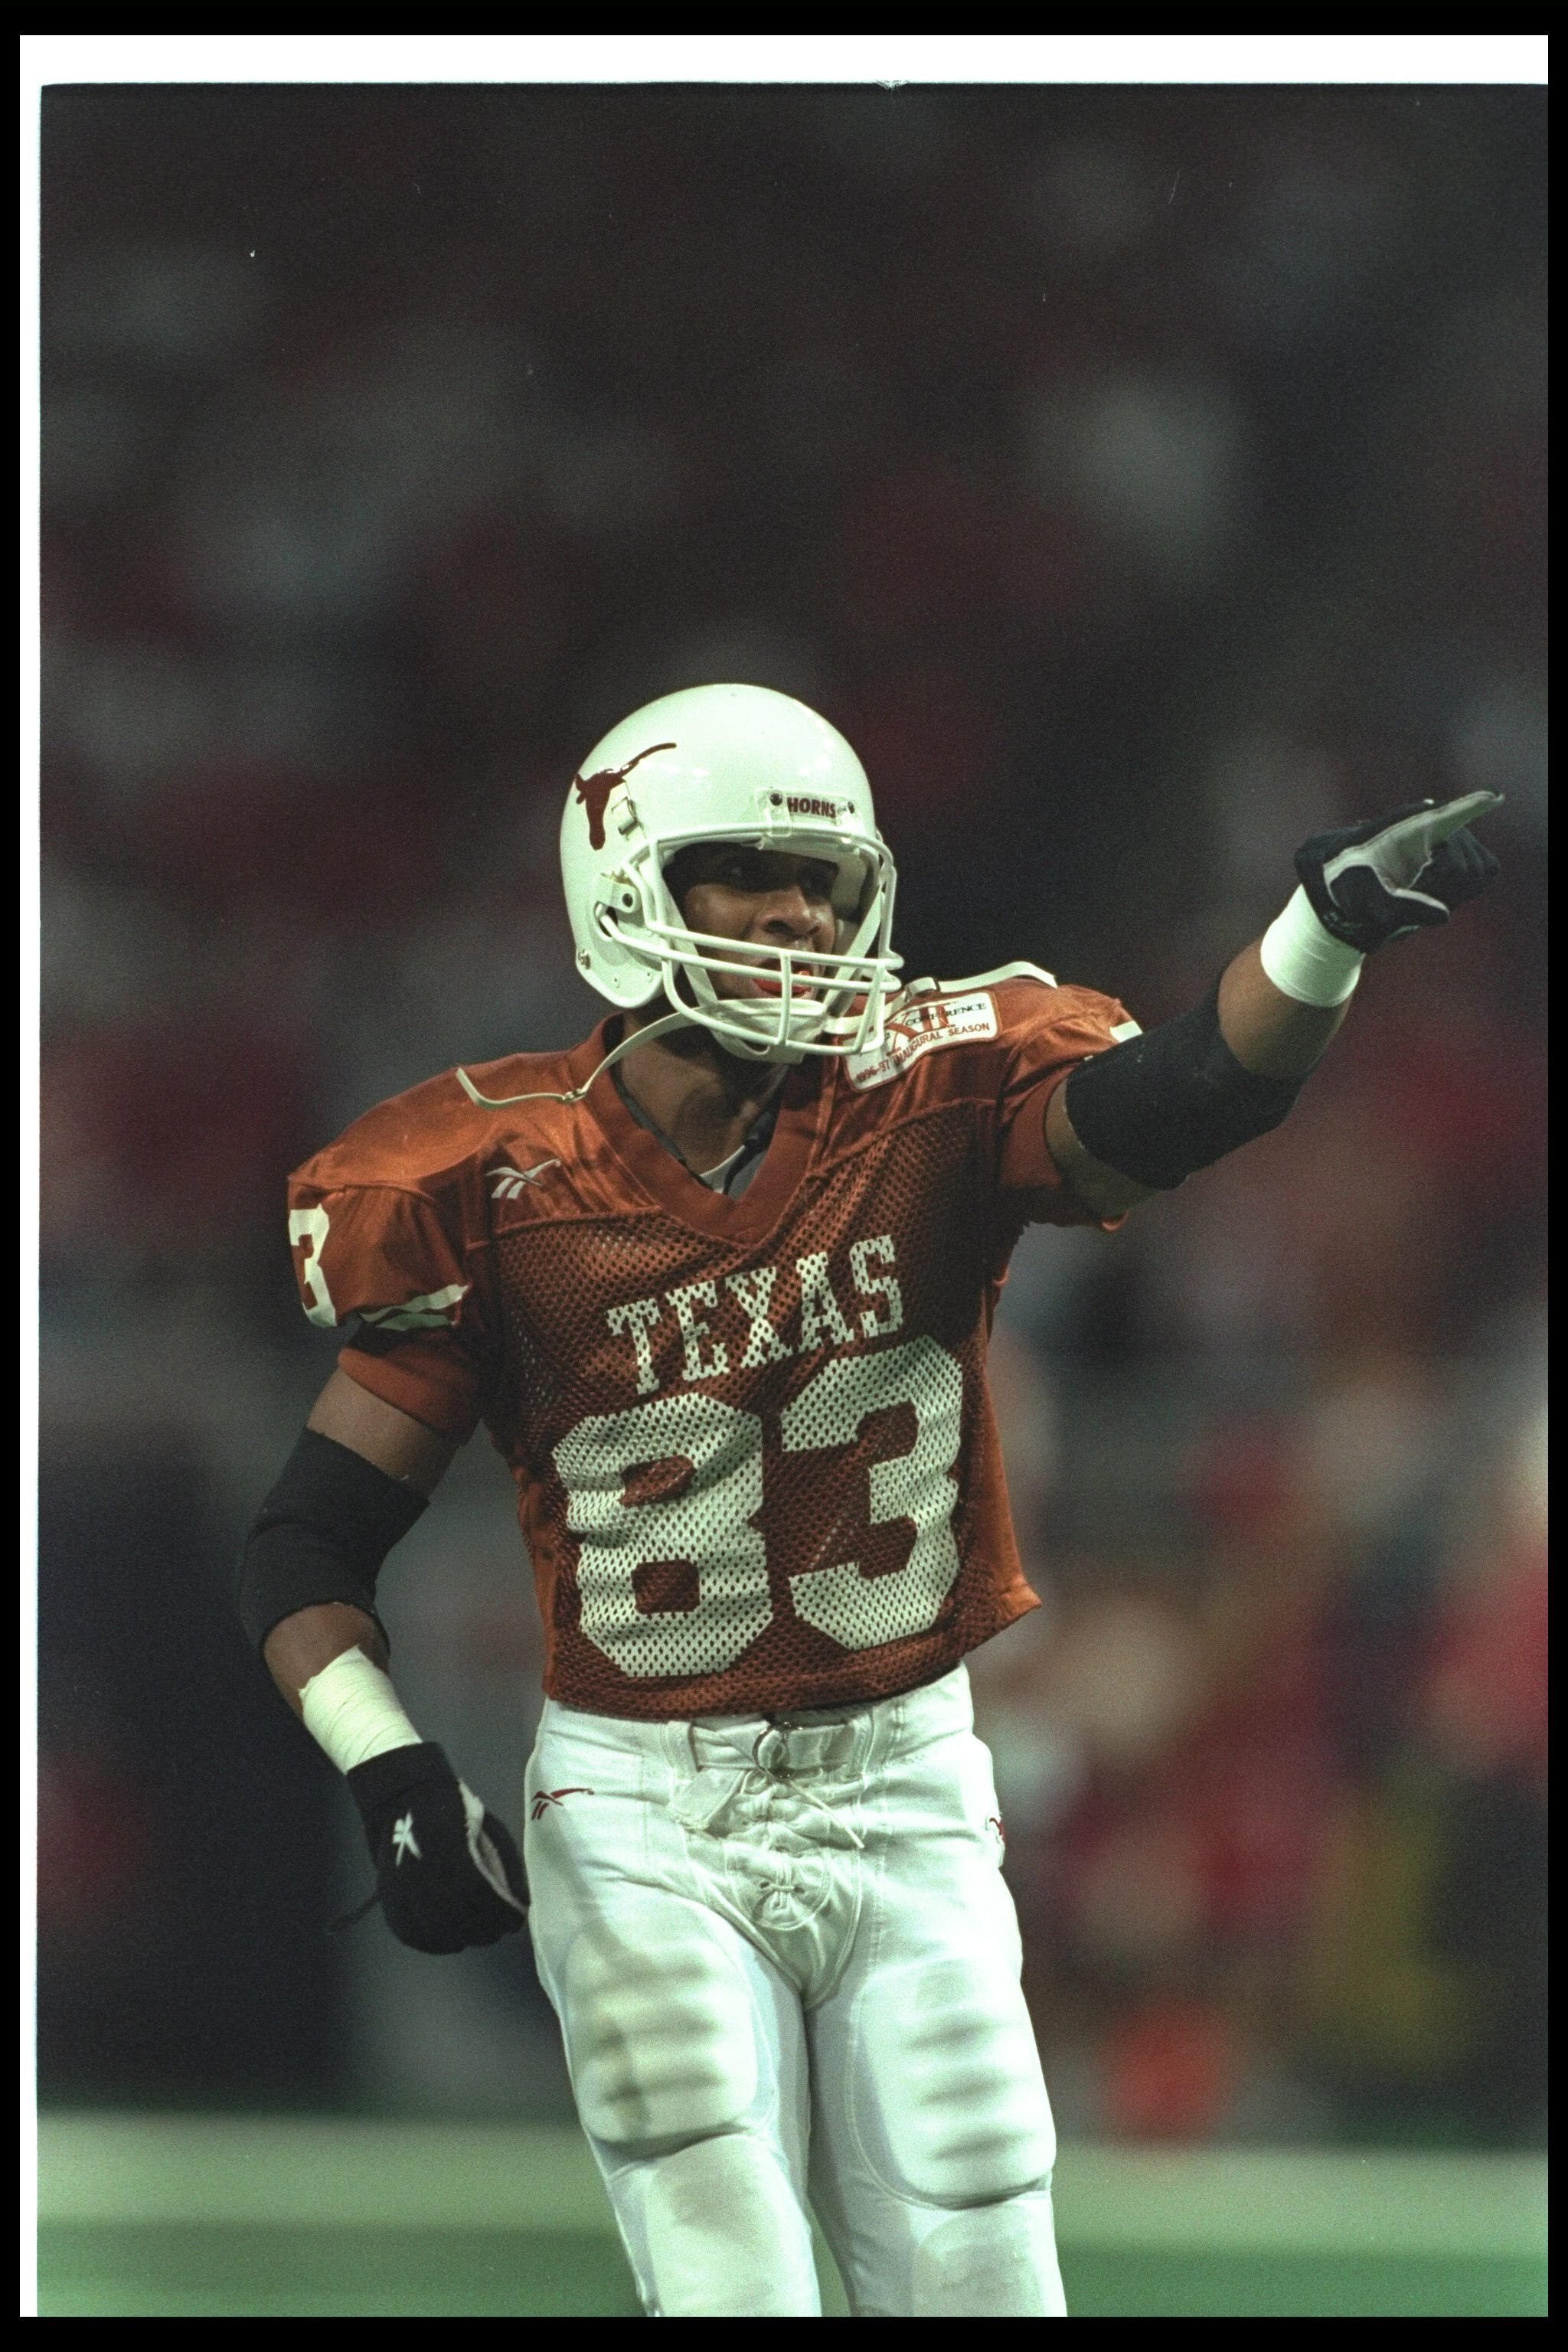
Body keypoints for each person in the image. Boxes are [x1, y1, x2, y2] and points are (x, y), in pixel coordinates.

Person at [237, 682, 1498, 2318]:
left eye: (826, 883)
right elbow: (305, 1543)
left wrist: (1316, 936)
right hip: (644, 1815)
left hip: (905, 1785)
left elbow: (1181, 1096)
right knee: (735, 2288)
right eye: (748, 869)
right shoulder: (486, 1183)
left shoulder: (927, 1099)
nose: (796, 913)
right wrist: (392, 1767)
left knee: (988, 2270)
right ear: (624, 883)